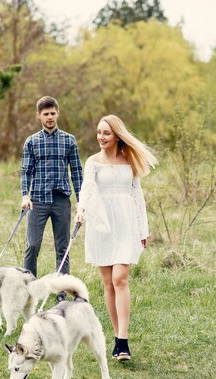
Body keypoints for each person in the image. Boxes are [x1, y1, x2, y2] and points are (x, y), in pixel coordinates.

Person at [76, 114, 157, 361]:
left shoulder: (129, 161)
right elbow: (87, 188)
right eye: (99, 132)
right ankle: (116, 337)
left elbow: (137, 195)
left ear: (116, 135)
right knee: (108, 283)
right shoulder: (93, 162)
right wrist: (81, 209)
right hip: (101, 226)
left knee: (120, 278)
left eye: (106, 133)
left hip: (126, 225)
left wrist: (143, 229)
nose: (101, 137)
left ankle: (123, 341)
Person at [20, 96, 83, 281]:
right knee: (32, 245)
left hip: (61, 200)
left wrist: (81, 201)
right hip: (37, 201)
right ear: (38, 116)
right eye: (46, 114)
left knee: (63, 248)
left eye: (53, 113)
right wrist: (25, 195)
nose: (50, 117)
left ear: (58, 114)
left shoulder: (69, 141)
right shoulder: (31, 142)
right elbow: (25, 171)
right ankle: (29, 286)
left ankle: (62, 289)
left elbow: (77, 173)